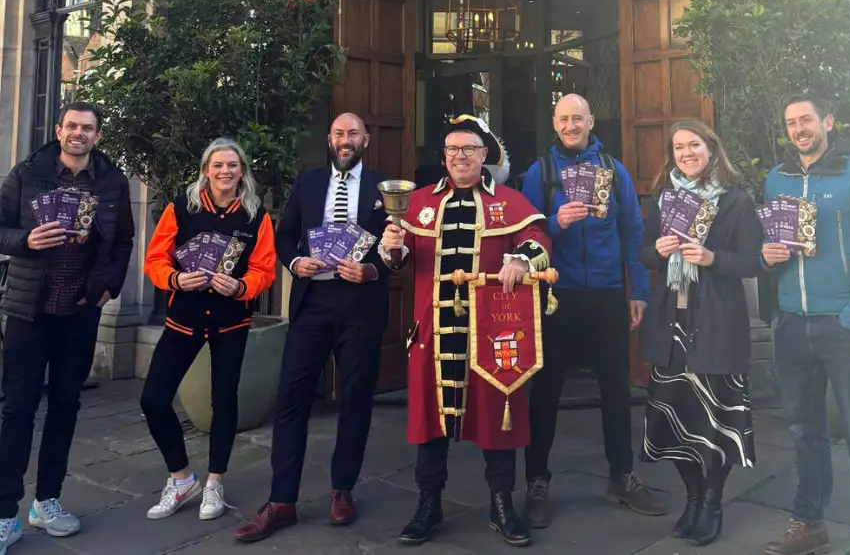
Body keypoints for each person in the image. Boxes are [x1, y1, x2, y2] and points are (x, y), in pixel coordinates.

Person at [380, 115, 551, 548]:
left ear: (484, 156)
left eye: (470, 150)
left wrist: (521, 260)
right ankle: (428, 505)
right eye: (453, 150)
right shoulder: (417, 202)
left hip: (490, 336)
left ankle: (501, 504)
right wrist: (391, 250)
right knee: (429, 424)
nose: (461, 156)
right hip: (432, 332)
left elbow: (537, 238)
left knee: (498, 420)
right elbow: (400, 263)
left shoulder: (508, 201)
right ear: (444, 157)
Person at [235, 112, 391, 543]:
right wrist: (294, 261)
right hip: (313, 302)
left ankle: (343, 489)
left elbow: (402, 248)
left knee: (356, 399)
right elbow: (284, 237)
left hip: (360, 305)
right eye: (339, 133)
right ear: (329, 139)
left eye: (353, 134)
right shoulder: (308, 183)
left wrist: (373, 270)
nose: (346, 140)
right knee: (291, 398)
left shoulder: (385, 188)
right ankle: (282, 500)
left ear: (366, 139)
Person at [519, 93, 663, 527]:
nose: (570, 125)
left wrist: (638, 291)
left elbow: (633, 232)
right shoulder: (538, 173)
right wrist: (554, 222)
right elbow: (523, 234)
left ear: (590, 121)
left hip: (606, 293)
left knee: (616, 388)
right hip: (554, 293)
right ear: (554, 122)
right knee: (544, 391)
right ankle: (536, 481)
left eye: (577, 118)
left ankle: (622, 475)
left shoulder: (613, 170)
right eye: (563, 119)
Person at [0, 102, 134, 551]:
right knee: (17, 409)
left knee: (64, 406)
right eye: (72, 126)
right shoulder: (27, 173)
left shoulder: (112, 183)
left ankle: (47, 501)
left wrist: (110, 286)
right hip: (29, 310)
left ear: (97, 136)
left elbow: (124, 242)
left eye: (88, 128)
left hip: (79, 311)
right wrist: (25, 240)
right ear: (59, 130)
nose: (79, 134)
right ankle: (4, 514)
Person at [760, 96, 850, 555]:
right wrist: (766, 257)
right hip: (793, 323)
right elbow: (771, 247)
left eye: (807, 120)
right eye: (792, 122)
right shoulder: (777, 179)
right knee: (803, 431)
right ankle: (809, 523)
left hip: (843, 323)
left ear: (827, 123)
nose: (800, 129)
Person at [639, 121, 761, 547]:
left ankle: (712, 503)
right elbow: (642, 250)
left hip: (717, 322)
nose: (686, 152)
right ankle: (692, 499)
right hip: (671, 322)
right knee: (673, 418)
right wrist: (656, 251)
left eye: (694, 145)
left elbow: (753, 262)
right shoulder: (664, 199)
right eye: (678, 147)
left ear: (711, 148)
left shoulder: (736, 202)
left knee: (716, 421)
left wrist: (713, 257)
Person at [140, 138, 276, 521]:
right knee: (153, 399)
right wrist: (175, 279)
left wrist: (242, 286)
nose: (225, 172)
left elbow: (264, 269)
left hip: (230, 320)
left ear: (242, 171)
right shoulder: (181, 208)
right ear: (206, 170)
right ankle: (181, 478)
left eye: (233, 165)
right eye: (218, 165)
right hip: (183, 318)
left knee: (224, 402)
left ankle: (215, 481)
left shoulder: (255, 216)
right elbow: (155, 259)